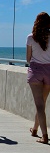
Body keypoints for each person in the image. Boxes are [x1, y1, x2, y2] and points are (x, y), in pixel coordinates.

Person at [26, 12, 50, 144]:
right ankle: (35, 129)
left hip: (36, 71)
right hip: (49, 71)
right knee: (42, 103)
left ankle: (45, 136)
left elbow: (28, 58)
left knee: (39, 104)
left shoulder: (30, 37)